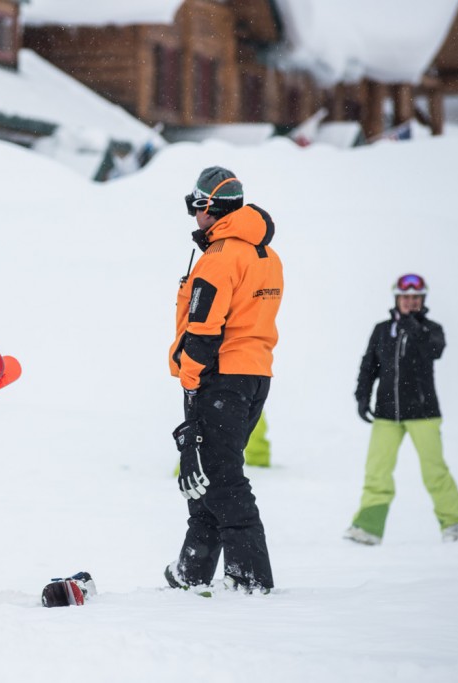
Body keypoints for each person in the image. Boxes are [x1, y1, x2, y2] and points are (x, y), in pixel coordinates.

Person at [164, 166, 283, 594]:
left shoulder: (219, 259)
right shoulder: (265, 255)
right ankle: (192, 572)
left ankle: (249, 578)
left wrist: (191, 383)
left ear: (209, 208)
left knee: (221, 475)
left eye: (196, 207)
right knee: (206, 476)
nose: (194, 216)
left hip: (220, 377)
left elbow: (202, 331)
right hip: (254, 375)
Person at [345, 274, 458, 545]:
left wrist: (415, 328)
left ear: (422, 300)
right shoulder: (382, 329)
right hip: (387, 414)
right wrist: (362, 396)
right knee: (377, 471)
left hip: (424, 413)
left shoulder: (432, 329)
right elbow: (369, 366)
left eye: (415, 298)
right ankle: (367, 527)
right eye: (405, 298)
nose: (410, 302)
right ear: (396, 299)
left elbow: (435, 350)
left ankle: (454, 524)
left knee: (434, 471)